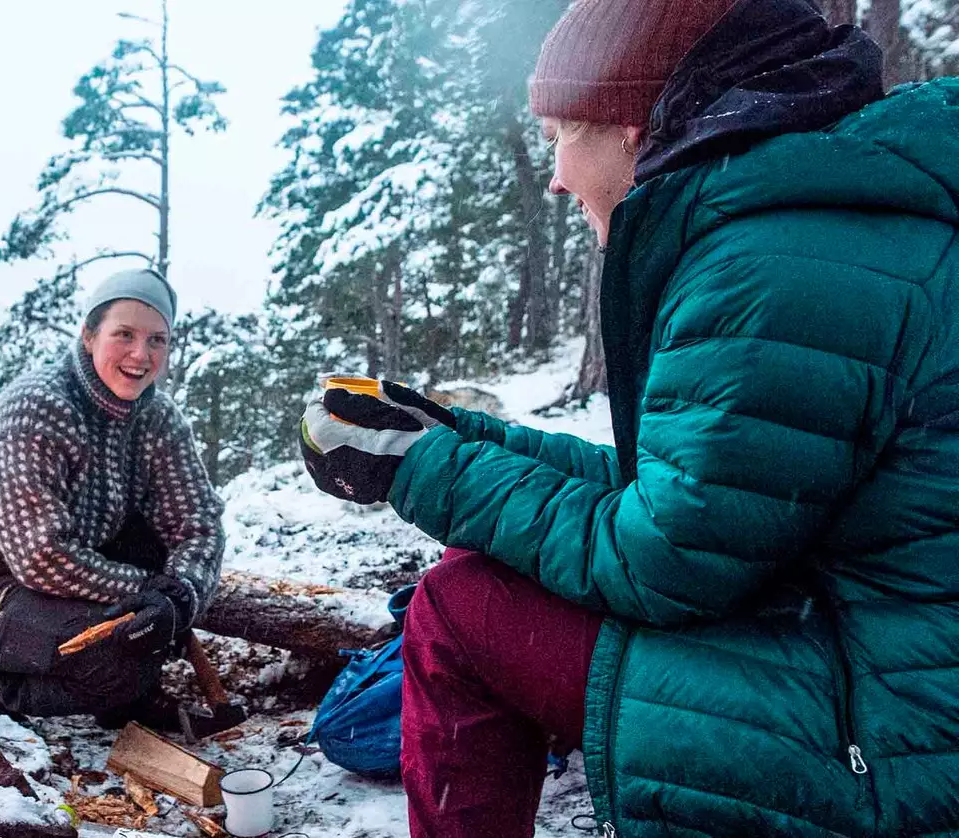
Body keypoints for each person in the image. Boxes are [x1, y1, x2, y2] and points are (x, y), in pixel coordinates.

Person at [299, 0, 959, 834]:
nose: (557, 177)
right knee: (478, 575)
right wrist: (449, 436)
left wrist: (419, 469)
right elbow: (695, 495)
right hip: (862, 649)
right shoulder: (812, 220)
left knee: (461, 609)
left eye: (561, 138)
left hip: (889, 735)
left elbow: (668, 560)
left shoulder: (774, 263)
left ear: (633, 127)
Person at [0, 267, 224, 730]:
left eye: (157, 340)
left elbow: (199, 523)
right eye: (124, 335)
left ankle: (124, 689)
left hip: (65, 579)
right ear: (88, 335)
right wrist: (144, 593)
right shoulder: (39, 409)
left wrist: (178, 598)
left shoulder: (158, 419)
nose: (141, 354)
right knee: (119, 661)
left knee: (149, 597)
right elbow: (39, 556)